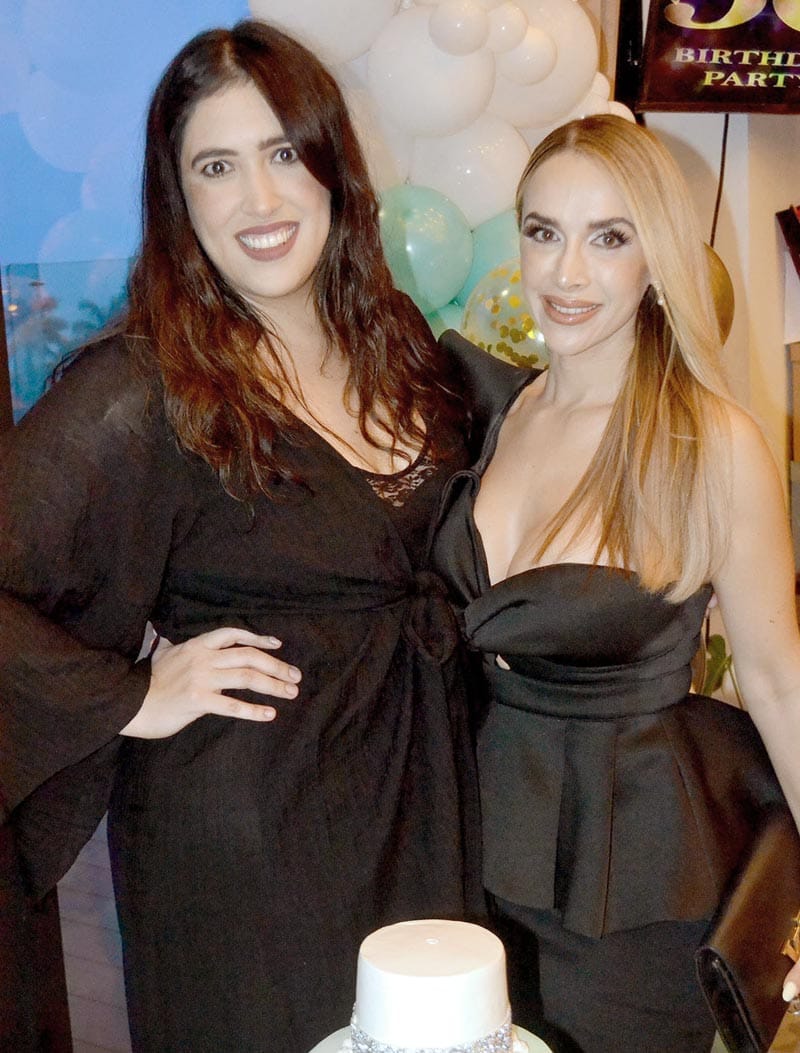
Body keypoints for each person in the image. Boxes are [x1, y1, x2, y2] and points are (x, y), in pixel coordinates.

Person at [0, 20, 483, 1052]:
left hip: (420, 801)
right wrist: (130, 696)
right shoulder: (143, 386)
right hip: (248, 851)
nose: (260, 199)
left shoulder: (396, 342)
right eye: (216, 167)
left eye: (282, 152)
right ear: (178, 200)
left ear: (331, 165)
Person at [433, 114, 800, 1053]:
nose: (567, 273)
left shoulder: (710, 442)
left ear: (657, 257)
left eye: (609, 237)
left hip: (634, 882)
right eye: (544, 231)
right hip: (476, 847)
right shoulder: (498, 411)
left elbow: (778, 681)